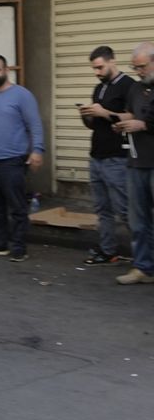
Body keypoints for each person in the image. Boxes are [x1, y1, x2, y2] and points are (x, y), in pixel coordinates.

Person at [0, 55, 44, 263]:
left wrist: (37, 150)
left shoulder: (22, 95)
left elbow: (35, 125)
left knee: (17, 207)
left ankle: (19, 247)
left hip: (13, 160)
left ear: (6, 71)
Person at [78, 46, 134, 266]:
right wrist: (87, 115)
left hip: (117, 157)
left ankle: (146, 255)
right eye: (94, 68)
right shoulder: (99, 88)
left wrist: (104, 113)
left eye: (100, 67)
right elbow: (94, 125)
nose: (97, 72)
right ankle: (108, 250)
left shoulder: (129, 86)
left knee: (126, 209)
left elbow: (133, 116)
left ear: (112, 61)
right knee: (102, 209)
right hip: (97, 156)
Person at [113, 42, 154, 285]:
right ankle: (143, 268)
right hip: (137, 161)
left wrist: (144, 125)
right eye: (135, 67)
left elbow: (143, 121)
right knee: (138, 221)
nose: (138, 71)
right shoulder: (137, 88)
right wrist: (116, 119)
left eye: (142, 67)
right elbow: (130, 113)